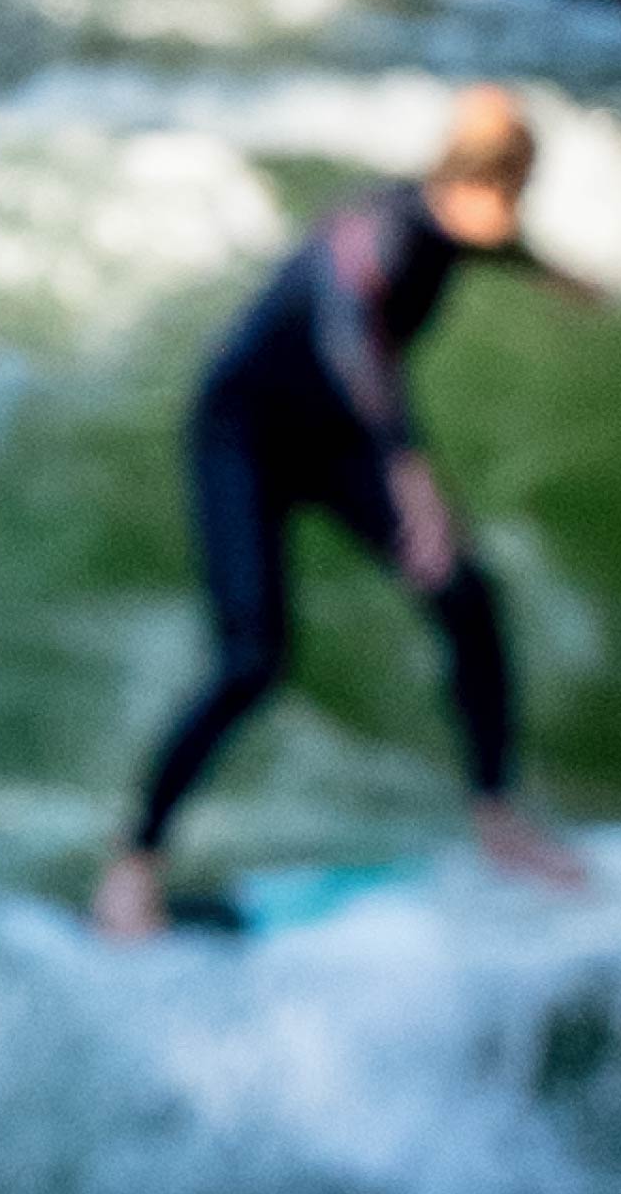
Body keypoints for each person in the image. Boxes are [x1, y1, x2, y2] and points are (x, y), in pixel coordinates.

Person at [95, 88, 595, 941]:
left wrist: (557, 277)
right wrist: (410, 478)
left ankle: (496, 816)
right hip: (243, 435)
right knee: (253, 658)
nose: (505, 218)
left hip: (326, 440)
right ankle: (132, 865)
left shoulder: (459, 220)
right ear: (467, 182)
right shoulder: (380, 233)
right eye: (504, 197)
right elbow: (352, 347)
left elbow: (491, 242)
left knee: (466, 595)